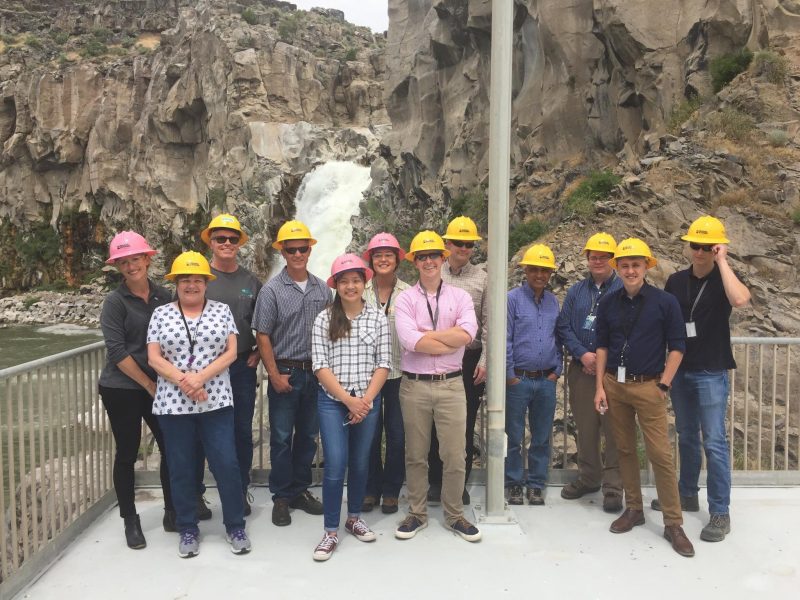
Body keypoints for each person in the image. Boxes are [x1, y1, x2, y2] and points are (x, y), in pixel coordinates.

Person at [592, 238, 694, 558]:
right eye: (625, 265)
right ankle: (634, 508)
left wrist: (663, 385)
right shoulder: (609, 303)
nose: (631, 270)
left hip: (650, 387)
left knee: (660, 455)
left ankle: (673, 523)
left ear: (646, 267)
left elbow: (678, 346)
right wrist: (599, 387)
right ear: (617, 268)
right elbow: (602, 347)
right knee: (623, 449)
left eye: (636, 264)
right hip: (615, 386)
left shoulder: (665, 302)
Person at [147, 251, 251, 558]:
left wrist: (201, 377)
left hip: (216, 401)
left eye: (197, 280)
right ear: (176, 284)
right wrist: (185, 380)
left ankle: (235, 525)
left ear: (206, 283)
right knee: (181, 468)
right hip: (173, 405)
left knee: (227, 465)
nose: (191, 285)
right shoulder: (161, 314)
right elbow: (153, 357)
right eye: (185, 280)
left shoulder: (221, 311)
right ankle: (188, 528)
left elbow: (231, 352)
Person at [653, 216, 750, 542]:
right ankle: (687, 493)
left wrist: (723, 261)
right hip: (681, 370)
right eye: (695, 245)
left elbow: (740, 300)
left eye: (706, 247)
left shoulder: (724, 281)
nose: (699, 251)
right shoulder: (676, 281)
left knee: (714, 441)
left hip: (711, 370)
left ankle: (720, 511)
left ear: (716, 248)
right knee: (686, 436)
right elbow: (666, 324)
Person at [393, 230, 481, 543]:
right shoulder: (405, 299)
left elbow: (468, 334)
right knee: (416, 454)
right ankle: (417, 513)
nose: (428, 261)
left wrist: (429, 340)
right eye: (422, 256)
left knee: (455, 454)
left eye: (433, 255)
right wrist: (449, 339)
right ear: (414, 262)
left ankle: (455, 514)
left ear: (442, 258)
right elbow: (409, 340)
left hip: (451, 386)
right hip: (414, 387)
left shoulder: (460, 297)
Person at [310, 254, 391, 561]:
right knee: (335, 464)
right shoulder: (324, 319)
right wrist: (349, 400)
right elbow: (320, 365)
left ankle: (354, 517)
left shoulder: (377, 318)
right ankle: (331, 530)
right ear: (336, 286)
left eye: (356, 280)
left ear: (364, 282)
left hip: (367, 401)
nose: (351, 286)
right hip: (333, 403)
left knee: (360, 463)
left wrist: (365, 401)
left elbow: (383, 363)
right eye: (344, 281)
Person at [252, 220, 332, 526]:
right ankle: (281, 497)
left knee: (309, 437)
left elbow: (332, 331)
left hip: (315, 373)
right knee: (282, 438)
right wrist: (273, 374)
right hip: (285, 371)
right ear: (283, 252)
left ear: (309, 250)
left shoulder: (322, 289)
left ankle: (300, 490)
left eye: (303, 248)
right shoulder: (271, 290)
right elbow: (263, 335)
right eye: (291, 249)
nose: (298, 253)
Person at [98, 231, 175, 549]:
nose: (131, 266)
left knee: (171, 448)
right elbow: (117, 352)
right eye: (124, 262)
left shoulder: (165, 296)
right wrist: (148, 384)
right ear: (118, 267)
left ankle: (173, 510)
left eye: (136, 259)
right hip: (122, 387)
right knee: (127, 453)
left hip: (159, 384)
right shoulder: (114, 302)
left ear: (148, 259)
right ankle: (131, 520)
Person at [200, 214, 262, 515]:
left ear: (239, 244)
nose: (226, 243)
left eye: (232, 239)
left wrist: (260, 354)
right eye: (220, 238)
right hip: (204, 369)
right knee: (201, 429)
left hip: (241, 367)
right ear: (210, 242)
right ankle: (198, 494)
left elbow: (264, 324)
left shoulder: (251, 281)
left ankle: (239, 490)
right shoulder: (198, 277)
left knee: (240, 430)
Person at [557, 233, 623, 512]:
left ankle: (613, 487)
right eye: (593, 256)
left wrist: (605, 358)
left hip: (613, 371)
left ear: (613, 260)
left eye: (603, 256)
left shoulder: (623, 289)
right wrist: (583, 354)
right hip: (582, 369)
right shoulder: (576, 291)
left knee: (614, 429)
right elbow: (563, 327)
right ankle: (589, 478)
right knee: (585, 427)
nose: (597, 260)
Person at [427, 216, 487, 506]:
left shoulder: (483, 278)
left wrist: (485, 359)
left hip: (469, 360)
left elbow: (489, 322)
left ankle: (457, 484)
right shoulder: (436, 273)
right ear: (447, 244)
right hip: (437, 356)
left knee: (464, 424)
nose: (464, 248)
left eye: (469, 244)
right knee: (435, 421)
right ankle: (435, 481)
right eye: (458, 243)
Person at [505, 244, 563, 506]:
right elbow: (505, 338)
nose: (539, 274)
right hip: (519, 379)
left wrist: (557, 371)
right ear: (525, 271)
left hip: (545, 380)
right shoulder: (512, 299)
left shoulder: (553, 301)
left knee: (541, 436)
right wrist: (509, 375)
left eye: (544, 270)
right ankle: (514, 483)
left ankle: (537, 483)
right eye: (534, 269)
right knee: (513, 436)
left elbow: (558, 338)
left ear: (550, 273)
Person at [361, 233, 411, 515]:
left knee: (397, 434)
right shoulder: (359, 289)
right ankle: (370, 488)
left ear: (397, 259)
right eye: (378, 255)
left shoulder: (408, 292)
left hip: (399, 374)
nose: (383, 259)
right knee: (368, 433)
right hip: (366, 374)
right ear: (371, 259)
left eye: (388, 255)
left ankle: (391, 489)